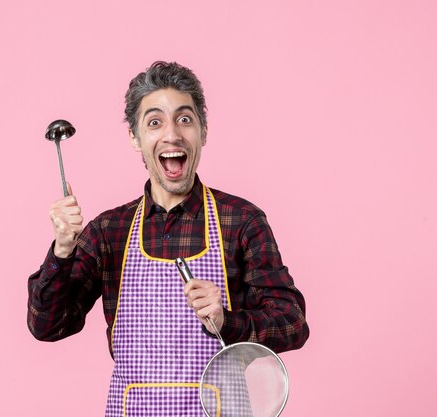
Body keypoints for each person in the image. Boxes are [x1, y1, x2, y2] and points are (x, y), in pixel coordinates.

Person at [27, 61, 309, 416]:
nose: (172, 134)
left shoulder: (241, 222)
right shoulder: (108, 232)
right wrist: (63, 250)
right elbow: (47, 324)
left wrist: (227, 320)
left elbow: (293, 323)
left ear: (203, 133)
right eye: (155, 122)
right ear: (135, 137)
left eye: (185, 119)